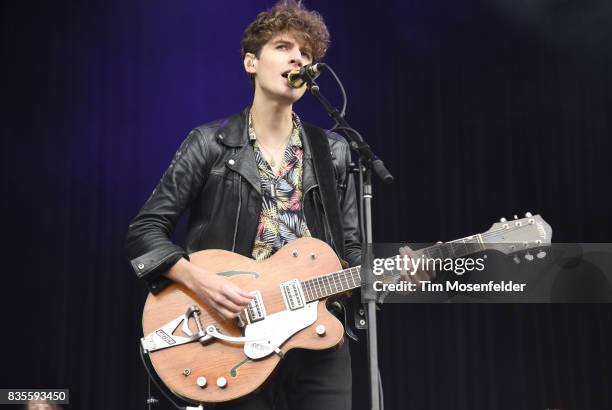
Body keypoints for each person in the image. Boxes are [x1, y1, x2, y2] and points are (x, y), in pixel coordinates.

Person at [125, 1, 360, 408]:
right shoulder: (209, 143)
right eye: (284, 47)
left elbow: (353, 254)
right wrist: (204, 283)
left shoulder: (334, 151)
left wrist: (395, 272)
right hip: (231, 336)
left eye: (307, 54)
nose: (298, 59)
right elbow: (144, 232)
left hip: (315, 338)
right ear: (251, 62)